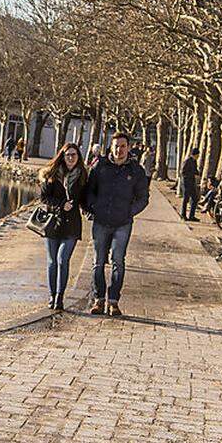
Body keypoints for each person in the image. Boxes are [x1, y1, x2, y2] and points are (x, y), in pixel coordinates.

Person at [83, 132, 150, 316]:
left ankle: (113, 301)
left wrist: (129, 212)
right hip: (101, 221)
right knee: (98, 262)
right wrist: (92, 208)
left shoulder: (136, 171)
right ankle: (98, 300)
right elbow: (89, 190)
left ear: (128, 147)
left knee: (118, 262)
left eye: (122, 146)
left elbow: (143, 198)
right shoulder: (100, 166)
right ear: (110, 147)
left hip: (123, 223)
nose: (119, 150)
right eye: (116, 146)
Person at [38, 143, 87, 311]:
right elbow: (43, 198)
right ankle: (52, 295)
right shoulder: (51, 175)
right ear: (62, 156)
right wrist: (61, 204)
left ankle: (60, 297)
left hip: (72, 225)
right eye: (68, 155)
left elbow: (86, 198)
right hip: (53, 223)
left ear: (78, 157)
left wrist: (92, 210)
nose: (71, 158)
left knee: (62, 259)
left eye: (74, 155)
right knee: (52, 262)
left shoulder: (82, 176)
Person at [180, 148, 201, 221]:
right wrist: (191, 175)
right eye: (198, 155)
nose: (198, 156)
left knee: (195, 199)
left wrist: (198, 173)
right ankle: (183, 215)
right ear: (195, 155)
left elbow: (195, 170)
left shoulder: (194, 161)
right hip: (186, 183)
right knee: (185, 199)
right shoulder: (187, 161)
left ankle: (192, 216)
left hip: (192, 183)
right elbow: (183, 172)